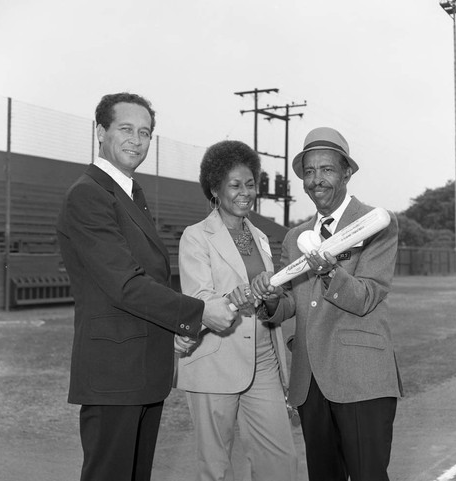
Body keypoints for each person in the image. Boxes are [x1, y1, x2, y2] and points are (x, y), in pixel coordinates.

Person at [56, 92, 237, 481]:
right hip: (113, 374)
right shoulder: (89, 194)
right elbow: (124, 283)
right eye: (126, 129)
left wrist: (168, 330)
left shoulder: (130, 193)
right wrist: (199, 312)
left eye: (145, 132)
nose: (137, 140)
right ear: (100, 131)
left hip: (138, 369)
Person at [252, 127, 403, 481]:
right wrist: (273, 301)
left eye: (327, 169)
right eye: (309, 171)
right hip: (310, 383)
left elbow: (366, 295)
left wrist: (331, 273)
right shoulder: (294, 238)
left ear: (347, 172)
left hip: (361, 377)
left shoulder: (376, 224)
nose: (316, 180)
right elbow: (293, 302)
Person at [174, 140, 297, 481]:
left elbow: (273, 299)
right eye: (234, 185)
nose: (245, 192)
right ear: (214, 189)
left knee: (281, 463)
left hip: (264, 360)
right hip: (214, 359)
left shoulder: (258, 237)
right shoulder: (196, 237)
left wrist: (269, 296)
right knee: (215, 469)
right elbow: (200, 302)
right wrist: (236, 297)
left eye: (250, 183)